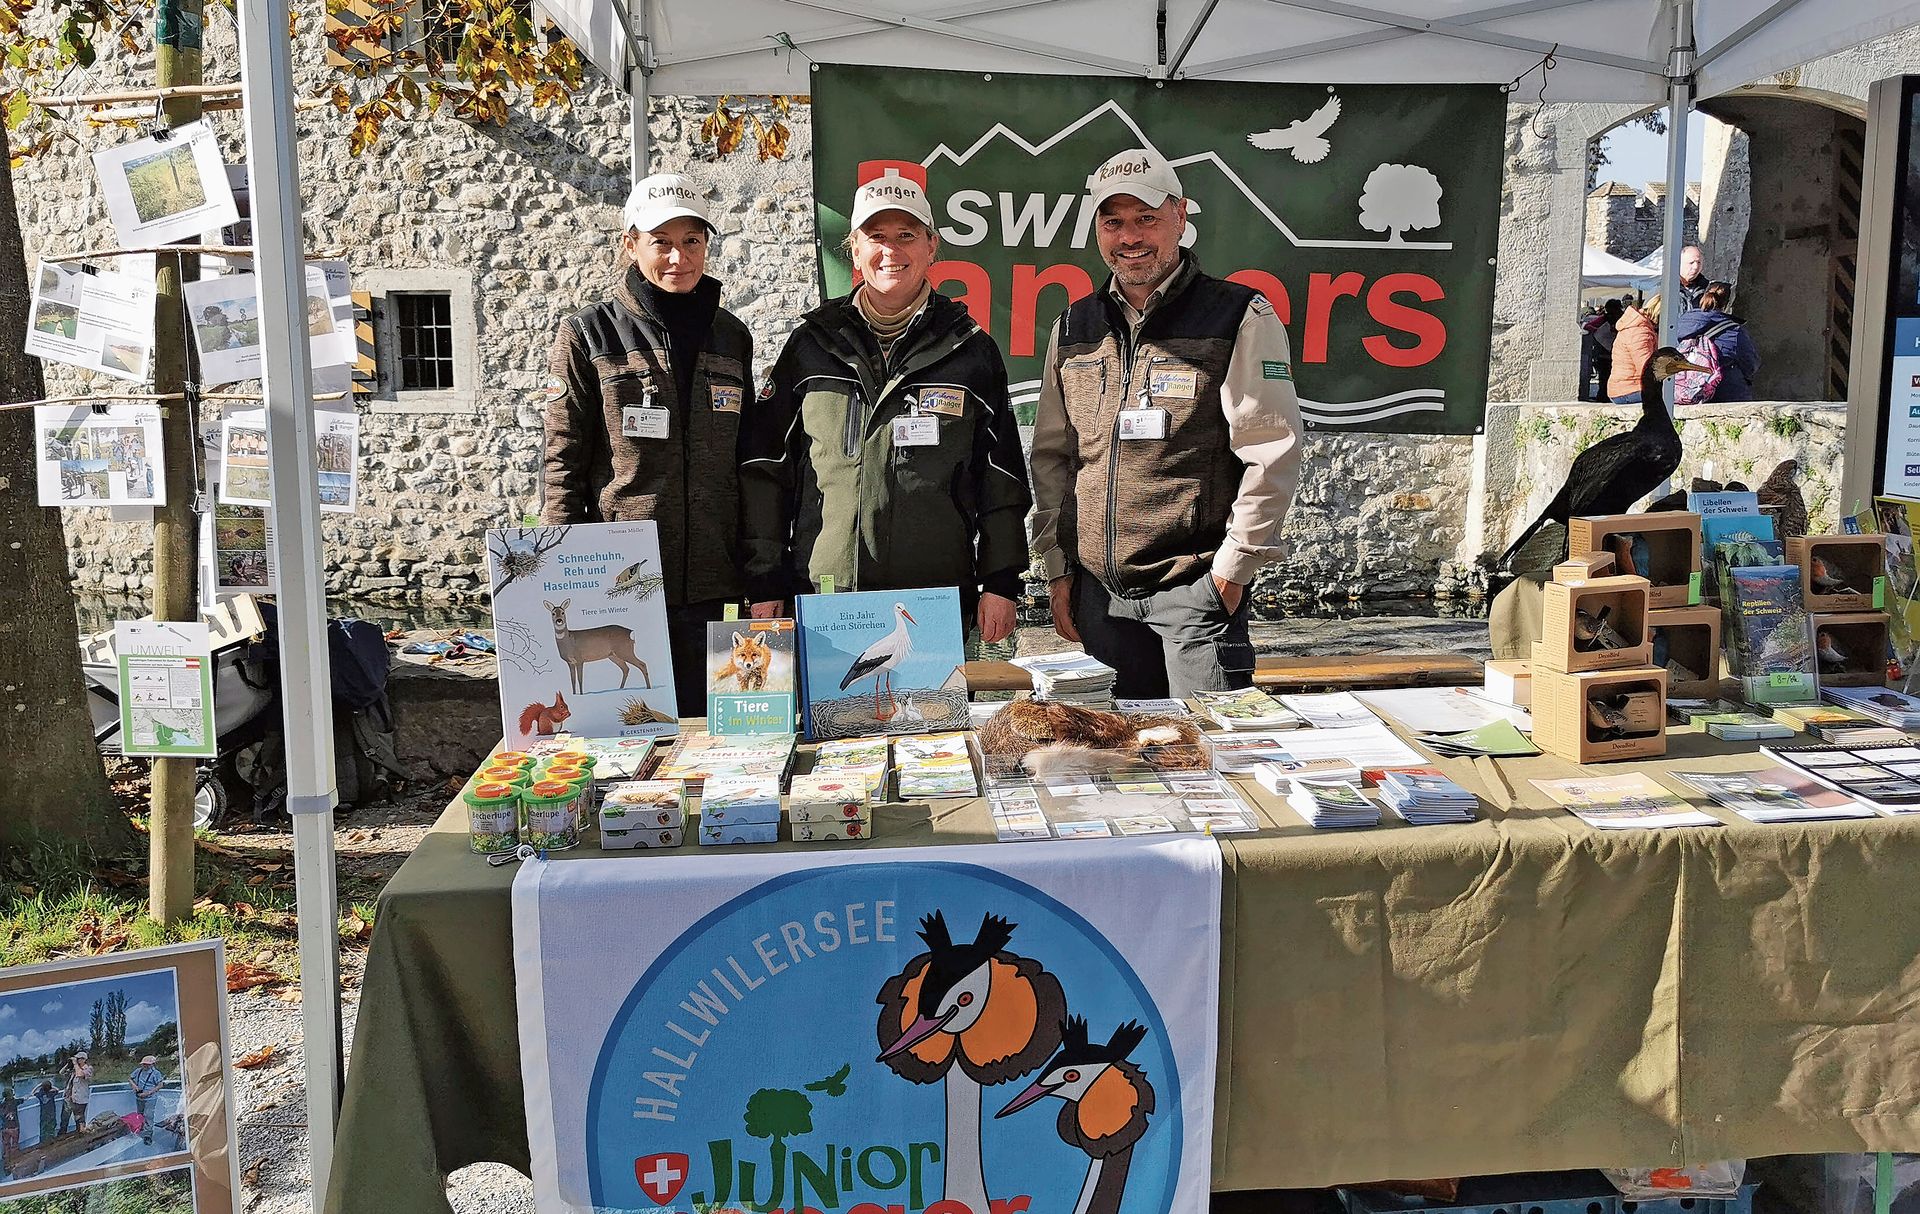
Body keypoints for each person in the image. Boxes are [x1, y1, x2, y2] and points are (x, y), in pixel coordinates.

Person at [1029, 149, 1303, 699]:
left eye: (1146, 218)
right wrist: (1057, 570)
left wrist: (1230, 573)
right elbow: (1053, 457)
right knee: (1114, 764)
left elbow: (1273, 451)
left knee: (1209, 761)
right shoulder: (1073, 325)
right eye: (1114, 222)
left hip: (1195, 594)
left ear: (1180, 216)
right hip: (1099, 600)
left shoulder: (1239, 313)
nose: (1130, 237)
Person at [739, 173, 1030, 645]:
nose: (891, 250)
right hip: (826, 600)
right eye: (875, 236)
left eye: (906, 236)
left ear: (932, 247)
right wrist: (764, 578)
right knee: (834, 717)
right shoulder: (810, 347)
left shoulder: (972, 352)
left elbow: (1002, 479)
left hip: (934, 600)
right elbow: (766, 472)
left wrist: (1001, 582)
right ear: (853, 249)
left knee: (938, 720)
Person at [540, 172, 754, 717]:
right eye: (661, 242)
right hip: (625, 572)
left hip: (716, 572)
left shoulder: (732, 336)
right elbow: (563, 454)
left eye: (691, 242)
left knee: (718, 729)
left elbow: (748, 457)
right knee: (632, 727)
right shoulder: (591, 333)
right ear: (630, 244)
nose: (678, 258)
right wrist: (556, 560)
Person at [1676, 280, 1760, 402]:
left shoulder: (1680, 324)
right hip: (1725, 392)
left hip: (1687, 391)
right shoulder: (1733, 331)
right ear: (1727, 303)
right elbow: (1750, 362)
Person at [1606, 294, 1661, 402]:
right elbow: (1646, 367)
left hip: (1623, 388)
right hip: (1629, 390)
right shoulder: (1639, 332)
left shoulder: (1637, 326)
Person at [129, 1055, 166, 1146]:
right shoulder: (138, 1071)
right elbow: (130, 1078)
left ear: (152, 1064)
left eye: (147, 1064)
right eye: (144, 1064)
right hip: (139, 1097)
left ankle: (148, 1136)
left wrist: (148, 1093)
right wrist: (134, 1086)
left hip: (150, 1098)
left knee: (148, 1116)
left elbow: (160, 1085)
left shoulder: (156, 1073)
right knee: (140, 1114)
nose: (145, 1066)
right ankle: (140, 1129)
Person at [1591, 298, 1623, 401]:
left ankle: (1606, 396)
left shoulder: (1620, 318)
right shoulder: (1606, 318)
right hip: (1608, 354)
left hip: (1612, 353)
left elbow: (1588, 326)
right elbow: (1588, 326)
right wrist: (1600, 331)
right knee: (1605, 377)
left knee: (1605, 378)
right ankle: (1605, 396)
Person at [61, 1052, 90, 1136]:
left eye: (78, 1059)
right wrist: (68, 1064)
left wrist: (75, 1063)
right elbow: (61, 1072)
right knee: (64, 1120)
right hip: (70, 1099)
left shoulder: (88, 1069)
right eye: (76, 1059)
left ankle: (81, 1136)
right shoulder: (74, 1070)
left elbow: (80, 1074)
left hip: (80, 1100)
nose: (77, 1060)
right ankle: (62, 1136)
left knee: (79, 1120)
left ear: (84, 1059)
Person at [1678, 244, 1708, 311]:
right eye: (1691, 263)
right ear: (1679, 263)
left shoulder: (1707, 288)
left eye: (1699, 262)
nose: (1696, 267)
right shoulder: (1666, 288)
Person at [32, 1081, 56, 1149]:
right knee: (51, 1128)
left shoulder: (40, 1094)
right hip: (52, 1114)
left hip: (43, 1115)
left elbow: (32, 1092)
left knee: (43, 1129)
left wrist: (39, 1085)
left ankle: (42, 1143)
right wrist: (52, 1087)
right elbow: (57, 1090)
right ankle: (51, 1141)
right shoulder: (51, 1093)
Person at [1, 1086, 19, 1174]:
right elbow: (24, 1099)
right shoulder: (15, 1102)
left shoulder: (1, 1104)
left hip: (5, 1129)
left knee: (6, 1148)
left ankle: (6, 1167)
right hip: (14, 1128)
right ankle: (14, 1165)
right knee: (14, 1146)